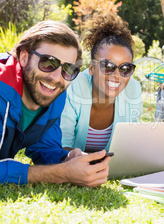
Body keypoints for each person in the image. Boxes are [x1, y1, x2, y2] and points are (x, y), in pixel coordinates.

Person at [0, 21, 110, 186]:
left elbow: (44, 148)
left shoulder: (54, 95)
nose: (57, 78)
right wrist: (61, 173)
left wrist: (68, 159)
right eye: (48, 63)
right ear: (24, 57)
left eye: (68, 70)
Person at [61, 14, 142, 152]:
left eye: (125, 68)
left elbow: (130, 146)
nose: (117, 76)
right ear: (92, 68)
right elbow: (61, 147)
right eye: (108, 66)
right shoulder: (74, 87)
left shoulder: (133, 89)